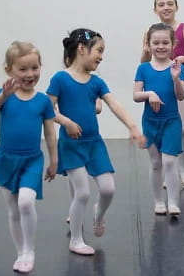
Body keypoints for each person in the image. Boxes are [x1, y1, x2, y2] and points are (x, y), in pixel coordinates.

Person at [47, 28, 144, 256]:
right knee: (82, 193)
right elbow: (47, 108)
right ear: (82, 49)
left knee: (108, 188)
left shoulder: (96, 82)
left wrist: (131, 125)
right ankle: (76, 240)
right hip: (71, 144)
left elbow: (114, 104)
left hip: (94, 143)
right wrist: (66, 122)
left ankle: (98, 214)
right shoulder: (60, 79)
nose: (101, 56)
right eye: (99, 50)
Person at [0, 41, 57, 273]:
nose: (30, 74)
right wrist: (3, 96)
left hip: (32, 160)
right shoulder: (5, 95)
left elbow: (49, 132)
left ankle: (30, 250)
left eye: (34, 68)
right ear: (10, 71)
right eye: (23, 69)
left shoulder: (43, 101)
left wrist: (54, 159)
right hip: (6, 160)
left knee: (25, 201)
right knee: (14, 209)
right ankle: (20, 252)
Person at [141, 0, 184, 188]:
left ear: (176, 6)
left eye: (170, 3)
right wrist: (144, 53)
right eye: (161, 4)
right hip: (158, 82)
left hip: (179, 79)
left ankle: (182, 169)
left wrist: (181, 59)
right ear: (154, 9)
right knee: (160, 126)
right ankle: (168, 169)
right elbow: (143, 63)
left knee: (182, 128)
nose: (166, 7)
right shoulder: (150, 32)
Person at [135, 23, 184, 216]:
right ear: (148, 44)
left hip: (171, 121)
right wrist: (149, 94)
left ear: (173, 44)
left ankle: (173, 202)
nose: (160, 46)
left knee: (169, 162)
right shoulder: (143, 68)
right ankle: (158, 201)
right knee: (156, 163)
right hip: (150, 122)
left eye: (165, 42)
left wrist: (175, 79)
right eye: (156, 42)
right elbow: (135, 95)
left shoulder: (176, 67)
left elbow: (181, 96)